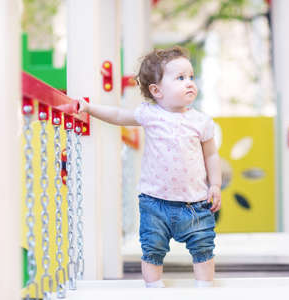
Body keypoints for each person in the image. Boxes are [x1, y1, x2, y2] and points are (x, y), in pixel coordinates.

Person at [77, 46, 221, 288]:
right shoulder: (149, 114)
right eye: (180, 78)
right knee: (152, 248)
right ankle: (154, 288)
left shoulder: (201, 121)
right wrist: (90, 109)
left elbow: (212, 155)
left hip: (195, 203)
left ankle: (205, 287)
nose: (189, 83)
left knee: (203, 245)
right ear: (157, 91)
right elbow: (118, 115)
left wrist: (215, 184)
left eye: (191, 77)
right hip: (154, 202)